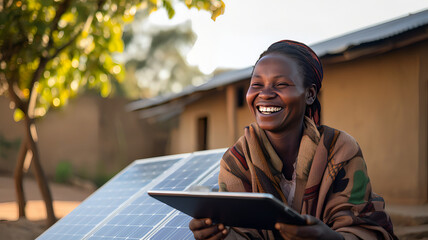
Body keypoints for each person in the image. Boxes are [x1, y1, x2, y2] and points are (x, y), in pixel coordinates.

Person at [189, 40, 397, 240]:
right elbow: (242, 233)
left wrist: (329, 238)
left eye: (281, 84)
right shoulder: (237, 160)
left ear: (310, 94)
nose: (265, 94)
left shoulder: (340, 150)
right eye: (257, 84)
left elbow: (363, 228)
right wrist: (218, 236)